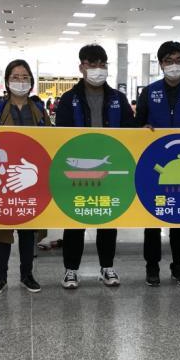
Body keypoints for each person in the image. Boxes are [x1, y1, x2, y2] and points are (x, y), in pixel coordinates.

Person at [55, 44, 135, 289]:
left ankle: (107, 267)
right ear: (82, 67)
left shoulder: (118, 98)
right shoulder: (69, 99)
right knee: (76, 219)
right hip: (79, 170)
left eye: (102, 64)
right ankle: (71, 270)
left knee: (107, 218)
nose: (98, 69)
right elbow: (61, 135)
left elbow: (130, 130)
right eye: (92, 64)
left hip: (109, 169)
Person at [135, 41, 180, 287]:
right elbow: (137, 124)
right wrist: (142, 128)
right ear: (161, 64)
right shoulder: (149, 92)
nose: (173, 65)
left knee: (179, 219)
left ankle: (178, 267)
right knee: (153, 220)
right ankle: (152, 267)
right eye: (168, 61)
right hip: (155, 164)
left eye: (177, 60)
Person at [0, 59, 49, 295]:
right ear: (6, 81)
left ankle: (27, 275)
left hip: (31, 178)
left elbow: (49, 142)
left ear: (31, 82)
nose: (20, 81)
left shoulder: (39, 111)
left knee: (27, 230)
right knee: (2, 231)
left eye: (24, 77)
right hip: (3, 178)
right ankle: (0, 277)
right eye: (15, 77)